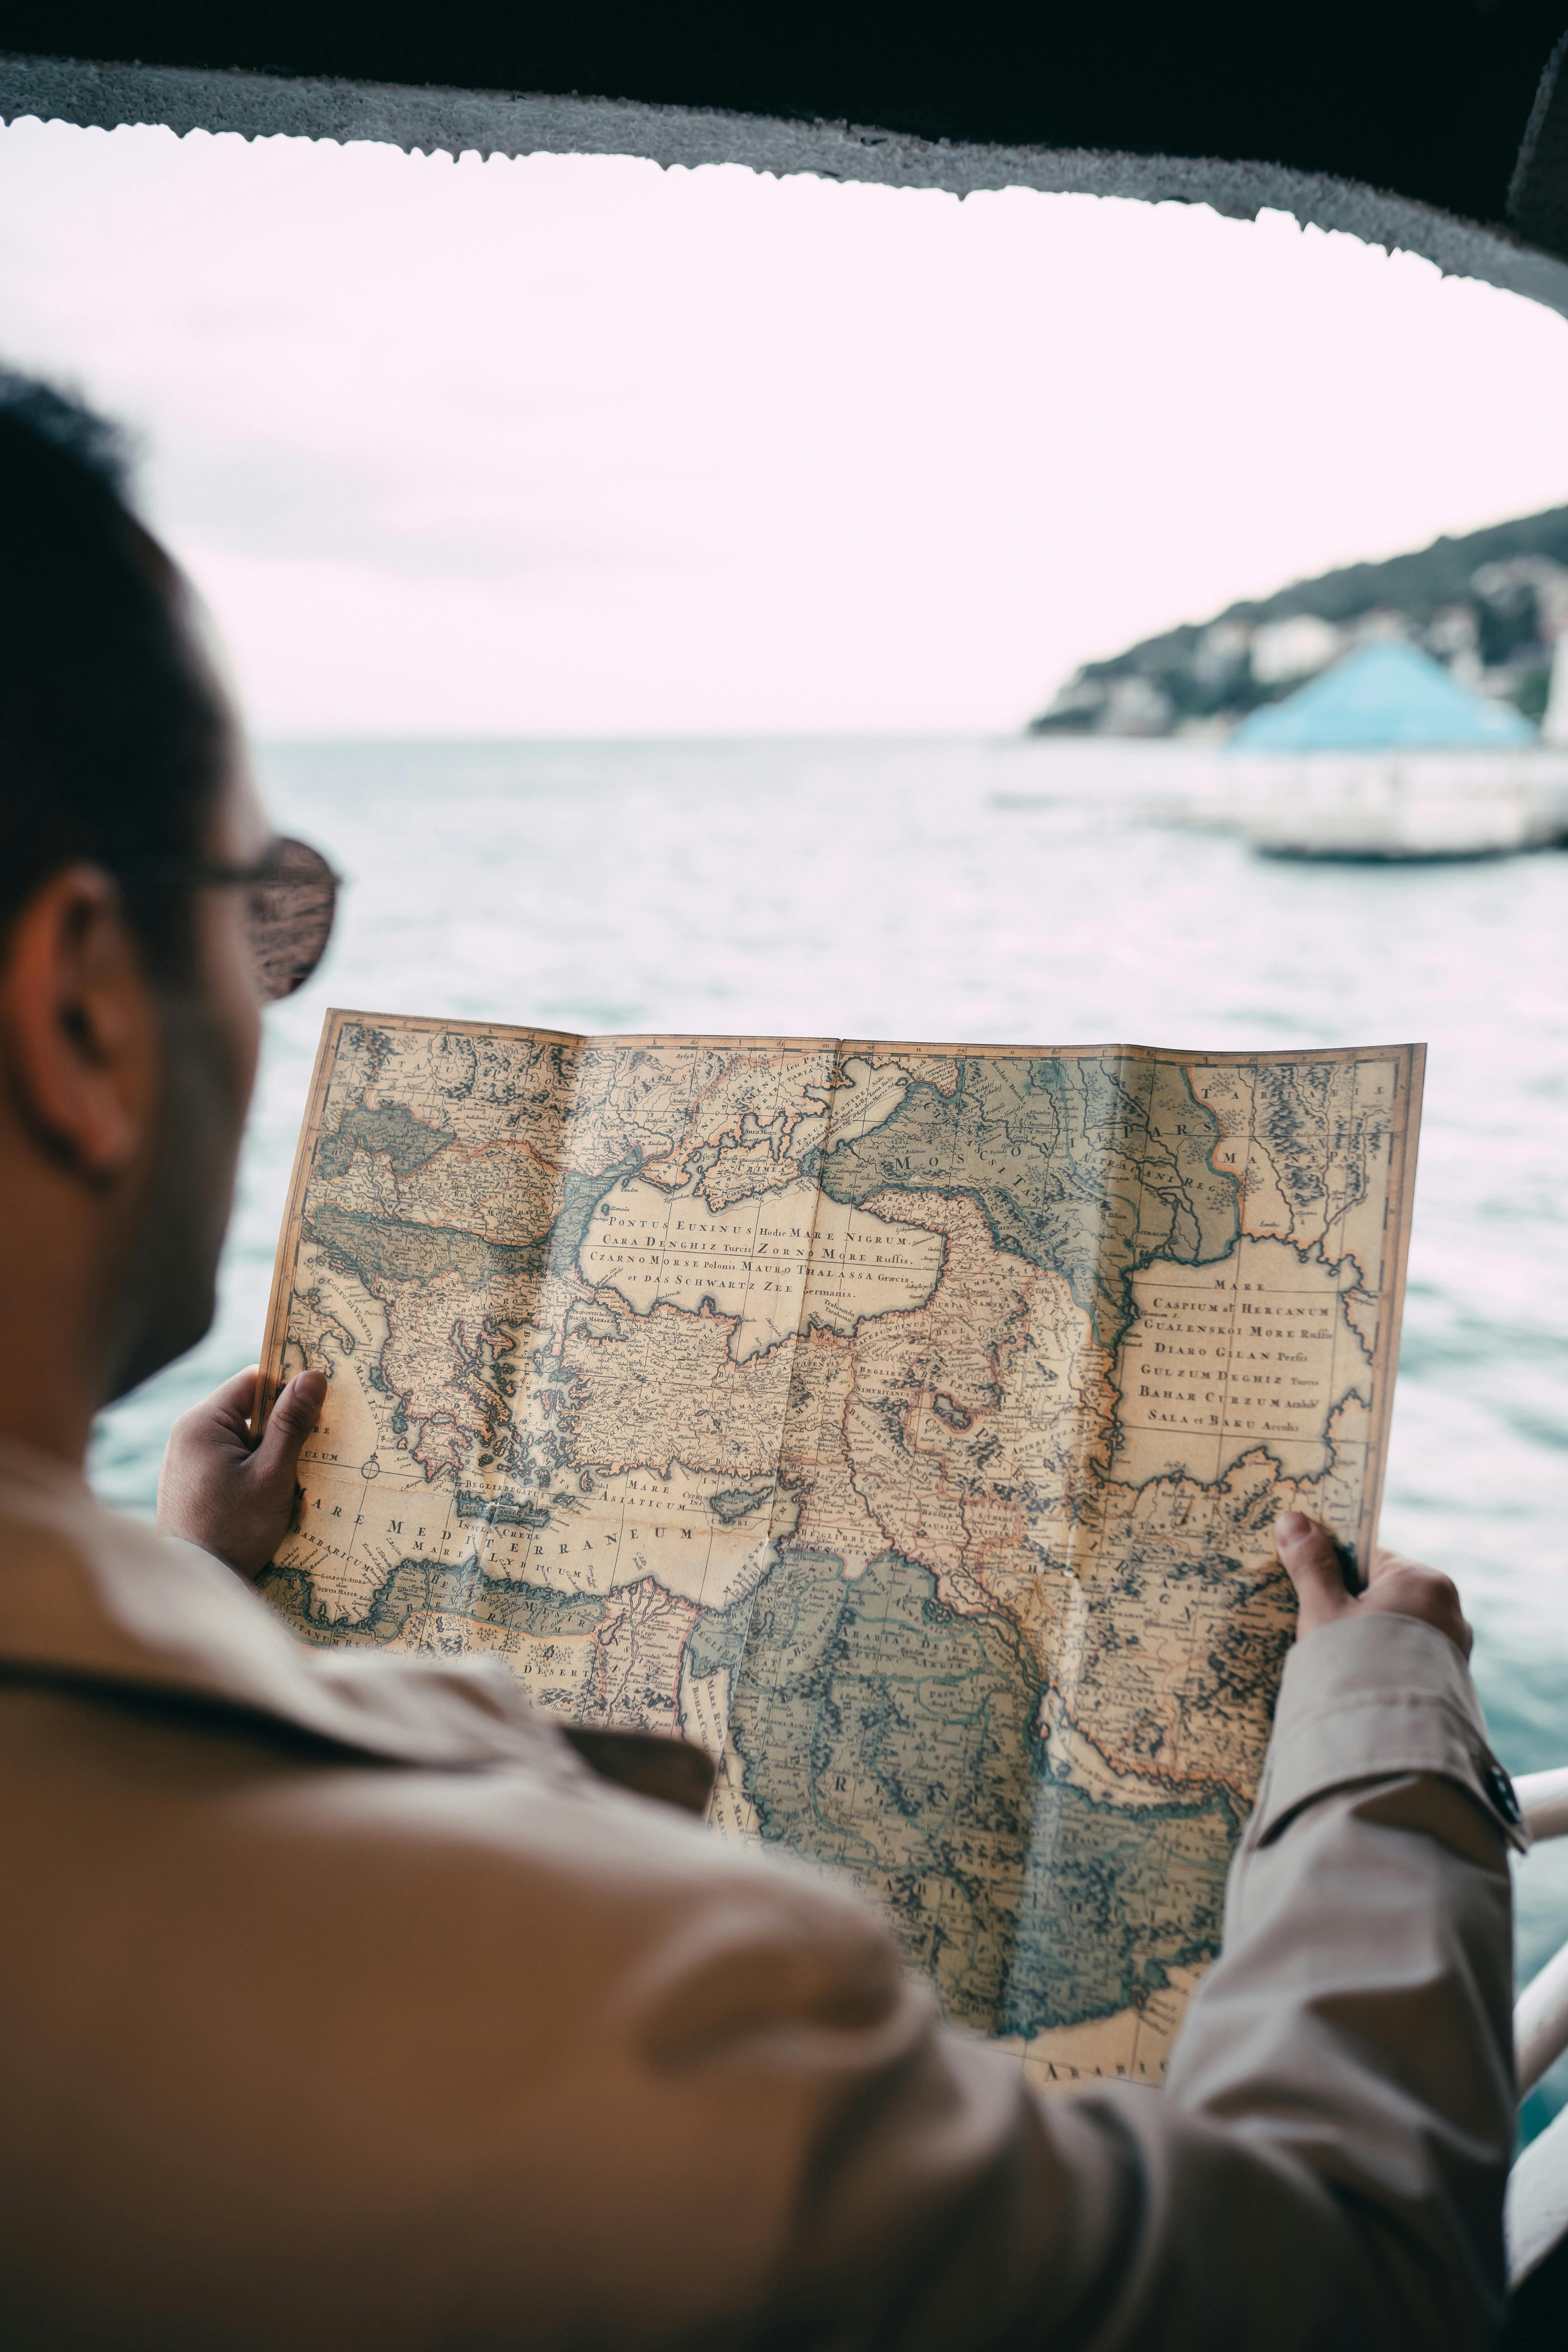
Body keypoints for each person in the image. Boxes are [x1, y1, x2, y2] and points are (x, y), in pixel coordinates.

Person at [0, 369, 1522, 2352]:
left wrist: (196, 1586)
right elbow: (1332, 2284)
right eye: (266, 905)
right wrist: (1387, 1742)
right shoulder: (555, 1998)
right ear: (84, 1013)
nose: (275, 996)